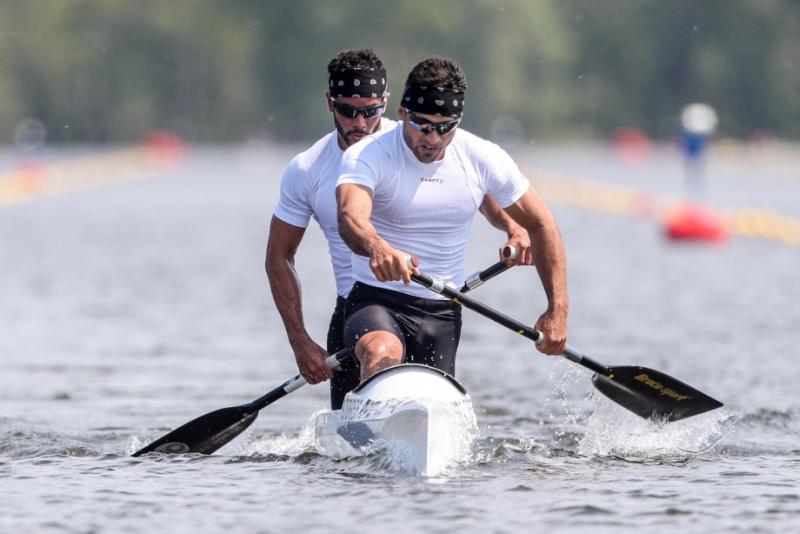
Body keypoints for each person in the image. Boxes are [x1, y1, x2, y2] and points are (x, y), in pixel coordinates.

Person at [266, 50, 529, 410]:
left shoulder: (414, 141)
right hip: (359, 308)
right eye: (348, 110)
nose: (360, 122)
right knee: (376, 364)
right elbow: (279, 256)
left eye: (371, 110)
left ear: (389, 105)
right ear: (330, 103)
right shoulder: (306, 170)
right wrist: (300, 342)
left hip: (432, 305)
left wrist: (513, 228)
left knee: (427, 414)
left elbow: (476, 190)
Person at [336, 56, 569, 383]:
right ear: (401, 113)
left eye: (445, 127)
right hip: (376, 300)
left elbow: (543, 224)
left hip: (443, 310)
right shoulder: (367, 155)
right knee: (382, 352)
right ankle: (374, 412)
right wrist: (378, 248)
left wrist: (557, 311)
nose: (433, 138)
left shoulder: (482, 157)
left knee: (429, 403)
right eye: (422, 125)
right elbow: (350, 216)